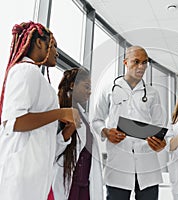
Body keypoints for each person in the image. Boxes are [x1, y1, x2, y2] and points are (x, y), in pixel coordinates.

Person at [0, 21, 80, 200]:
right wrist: (62, 113)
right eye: (54, 45)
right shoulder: (25, 71)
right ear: (39, 43)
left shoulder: (35, 75)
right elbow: (14, 121)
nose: (57, 52)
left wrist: (66, 129)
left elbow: (41, 134)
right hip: (21, 177)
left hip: (33, 176)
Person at [92, 46, 166, 200]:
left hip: (147, 166)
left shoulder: (152, 93)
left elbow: (160, 127)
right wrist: (106, 132)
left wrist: (161, 143)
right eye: (136, 62)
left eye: (144, 62)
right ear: (125, 62)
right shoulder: (109, 88)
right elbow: (97, 120)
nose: (141, 66)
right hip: (119, 164)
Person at [52, 68, 103, 199]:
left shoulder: (84, 116)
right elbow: (50, 151)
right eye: (86, 87)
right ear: (72, 85)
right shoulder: (58, 112)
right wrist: (68, 131)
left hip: (85, 185)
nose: (90, 92)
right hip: (69, 184)